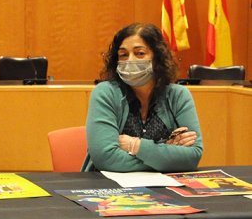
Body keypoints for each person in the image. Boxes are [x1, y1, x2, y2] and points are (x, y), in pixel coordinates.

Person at [84, 23, 203, 172]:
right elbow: (106, 158)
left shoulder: (178, 95)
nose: (130, 60)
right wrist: (165, 154)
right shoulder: (105, 93)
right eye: (123, 55)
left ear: (157, 57)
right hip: (108, 187)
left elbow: (193, 156)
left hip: (164, 188)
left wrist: (135, 146)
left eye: (139, 53)